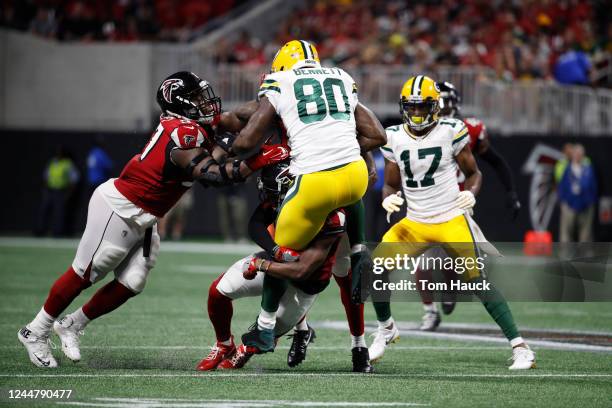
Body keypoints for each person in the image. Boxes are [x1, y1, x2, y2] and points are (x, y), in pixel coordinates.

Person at [18, 71, 288, 368]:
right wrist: (261, 158)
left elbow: (240, 117)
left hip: (146, 215)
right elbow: (215, 177)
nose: (206, 103)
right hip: (121, 207)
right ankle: (35, 330)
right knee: (85, 274)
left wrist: (274, 102)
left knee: (132, 282)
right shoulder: (182, 135)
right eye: (197, 98)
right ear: (181, 104)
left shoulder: (195, 123)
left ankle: (73, 323)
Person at [368, 75, 535, 370]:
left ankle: (520, 347)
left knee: (478, 282)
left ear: (436, 107)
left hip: (449, 218)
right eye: (412, 107)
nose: (417, 113)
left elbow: (474, 173)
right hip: (415, 221)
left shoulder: (452, 130)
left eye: (423, 107)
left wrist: (470, 193)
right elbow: (391, 184)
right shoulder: (393, 136)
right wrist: (388, 197)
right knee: (373, 270)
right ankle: (385, 328)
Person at [231, 40, 386, 351]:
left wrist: (233, 149)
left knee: (281, 249)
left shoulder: (280, 81)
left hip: (314, 183)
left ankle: (264, 327)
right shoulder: (341, 76)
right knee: (347, 193)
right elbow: (377, 135)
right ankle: (359, 253)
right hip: (355, 177)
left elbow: (246, 140)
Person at [198, 161, 372, 372]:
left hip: (305, 282)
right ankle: (224, 344)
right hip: (275, 266)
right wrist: (274, 251)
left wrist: (261, 264)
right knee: (218, 292)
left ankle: (256, 343)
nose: (271, 201)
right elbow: (256, 223)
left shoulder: (334, 215)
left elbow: (302, 270)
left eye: (274, 195)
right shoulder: (285, 191)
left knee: (261, 340)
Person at [415, 81, 522, 331]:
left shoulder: (469, 129)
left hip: (457, 204)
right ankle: (430, 311)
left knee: (457, 262)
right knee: (423, 262)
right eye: (438, 102)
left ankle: (450, 289)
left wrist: (511, 191)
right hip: (428, 203)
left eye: (446, 102)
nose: (442, 108)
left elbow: (494, 161)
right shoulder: (418, 129)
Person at [36, 145, 80, 237]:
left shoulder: (68, 163)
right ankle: (40, 230)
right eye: (57, 152)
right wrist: (45, 189)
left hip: (61, 191)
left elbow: (74, 178)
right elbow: (46, 176)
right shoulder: (52, 162)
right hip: (49, 190)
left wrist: (69, 192)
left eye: (60, 152)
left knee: (59, 212)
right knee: (44, 211)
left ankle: (57, 232)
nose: (58, 154)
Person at [558, 144, 597, 242]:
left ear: (583, 155)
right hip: (569, 205)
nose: (578, 156)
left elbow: (593, 187)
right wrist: (564, 202)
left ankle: (585, 256)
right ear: (573, 155)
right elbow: (562, 187)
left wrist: (589, 201)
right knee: (566, 234)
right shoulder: (567, 169)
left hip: (585, 205)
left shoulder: (588, 169)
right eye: (576, 154)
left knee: (585, 234)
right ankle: (566, 256)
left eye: (580, 154)